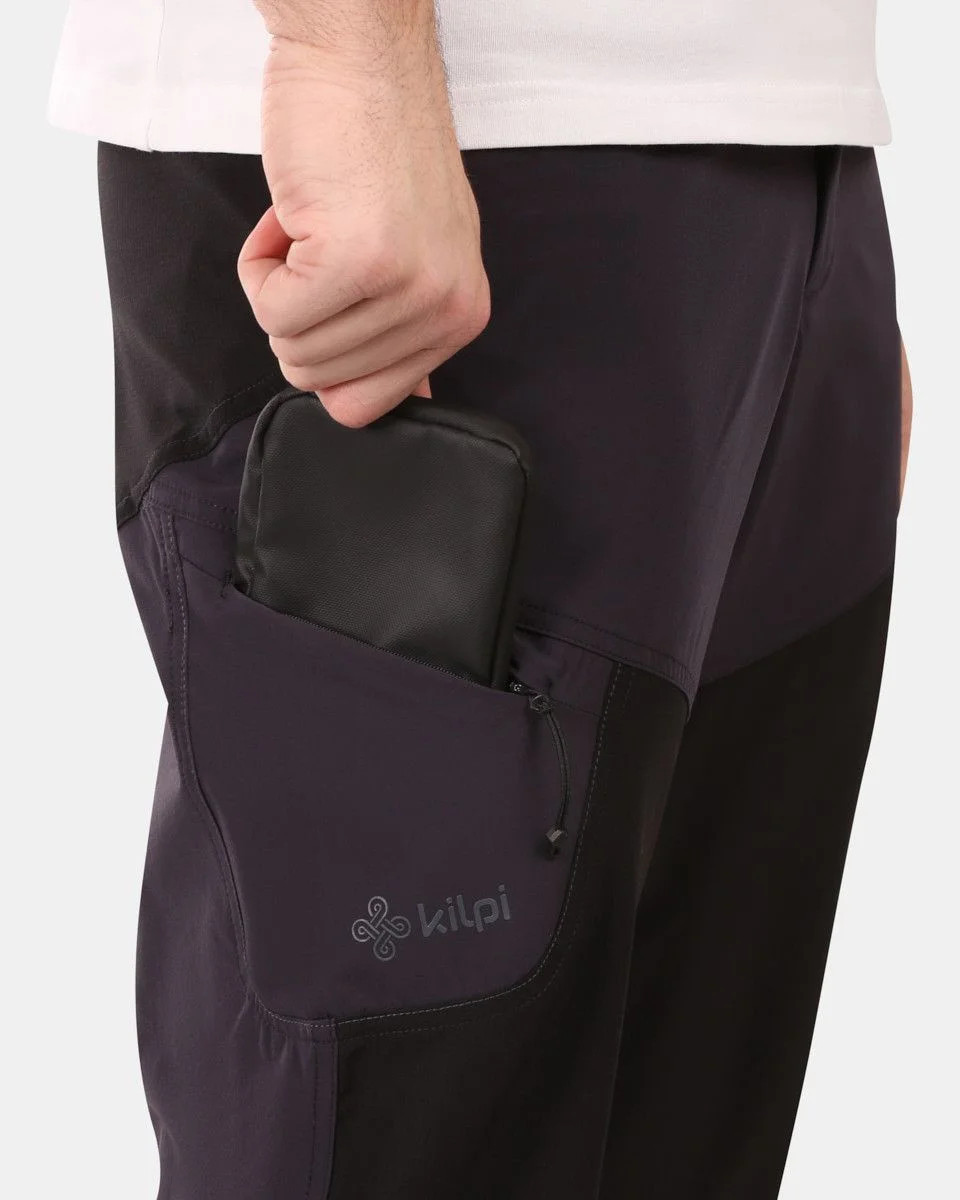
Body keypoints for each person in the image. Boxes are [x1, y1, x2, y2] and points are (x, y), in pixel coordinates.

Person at [50, 1, 911, 1196]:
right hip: (439, 153)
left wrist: (810, 246)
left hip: (770, 161)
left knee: (686, 1128)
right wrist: (345, 53)